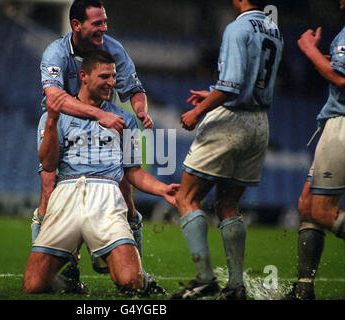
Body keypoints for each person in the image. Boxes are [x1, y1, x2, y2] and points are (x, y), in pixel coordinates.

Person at [22, 50, 179, 295]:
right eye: (105, 76)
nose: (112, 83)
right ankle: (70, 280)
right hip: (67, 194)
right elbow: (49, 164)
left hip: (106, 196)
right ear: (83, 75)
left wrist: (162, 189)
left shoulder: (125, 119)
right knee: (33, 286)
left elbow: (134, 172)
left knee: (131, 282)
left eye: (114, 76)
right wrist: (52, 120)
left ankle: (140, 277)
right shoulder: (54, 116)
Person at [31, 0, 159, 293]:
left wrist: (139, 111)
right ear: (77, 25)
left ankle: (138, 272)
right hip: (60, 127)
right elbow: (55, 101)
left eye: (105, 22)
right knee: (49, 192)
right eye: (98, 23)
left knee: (128, 199)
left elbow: (135, 89)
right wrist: (101, 114)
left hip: (106, 129)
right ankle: (68, 271)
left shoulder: (113, 49)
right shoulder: (56, 53)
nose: (104, 28)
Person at [171, 0, 283, 300]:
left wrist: (199, 111)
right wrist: (212, 93)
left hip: (230, 121)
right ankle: (236, 287)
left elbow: (231, 87)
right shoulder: (274, 30)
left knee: (187, 197)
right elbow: (251, 81)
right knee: (227, 206)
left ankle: (205, 279)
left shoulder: (237, 28)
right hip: (259, 123)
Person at [287, 0, 345, 300]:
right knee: (307, 205)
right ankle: (303, 288)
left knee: (321, 211)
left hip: (343, 125)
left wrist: (309, 51)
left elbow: (341, 78)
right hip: (335, 123)